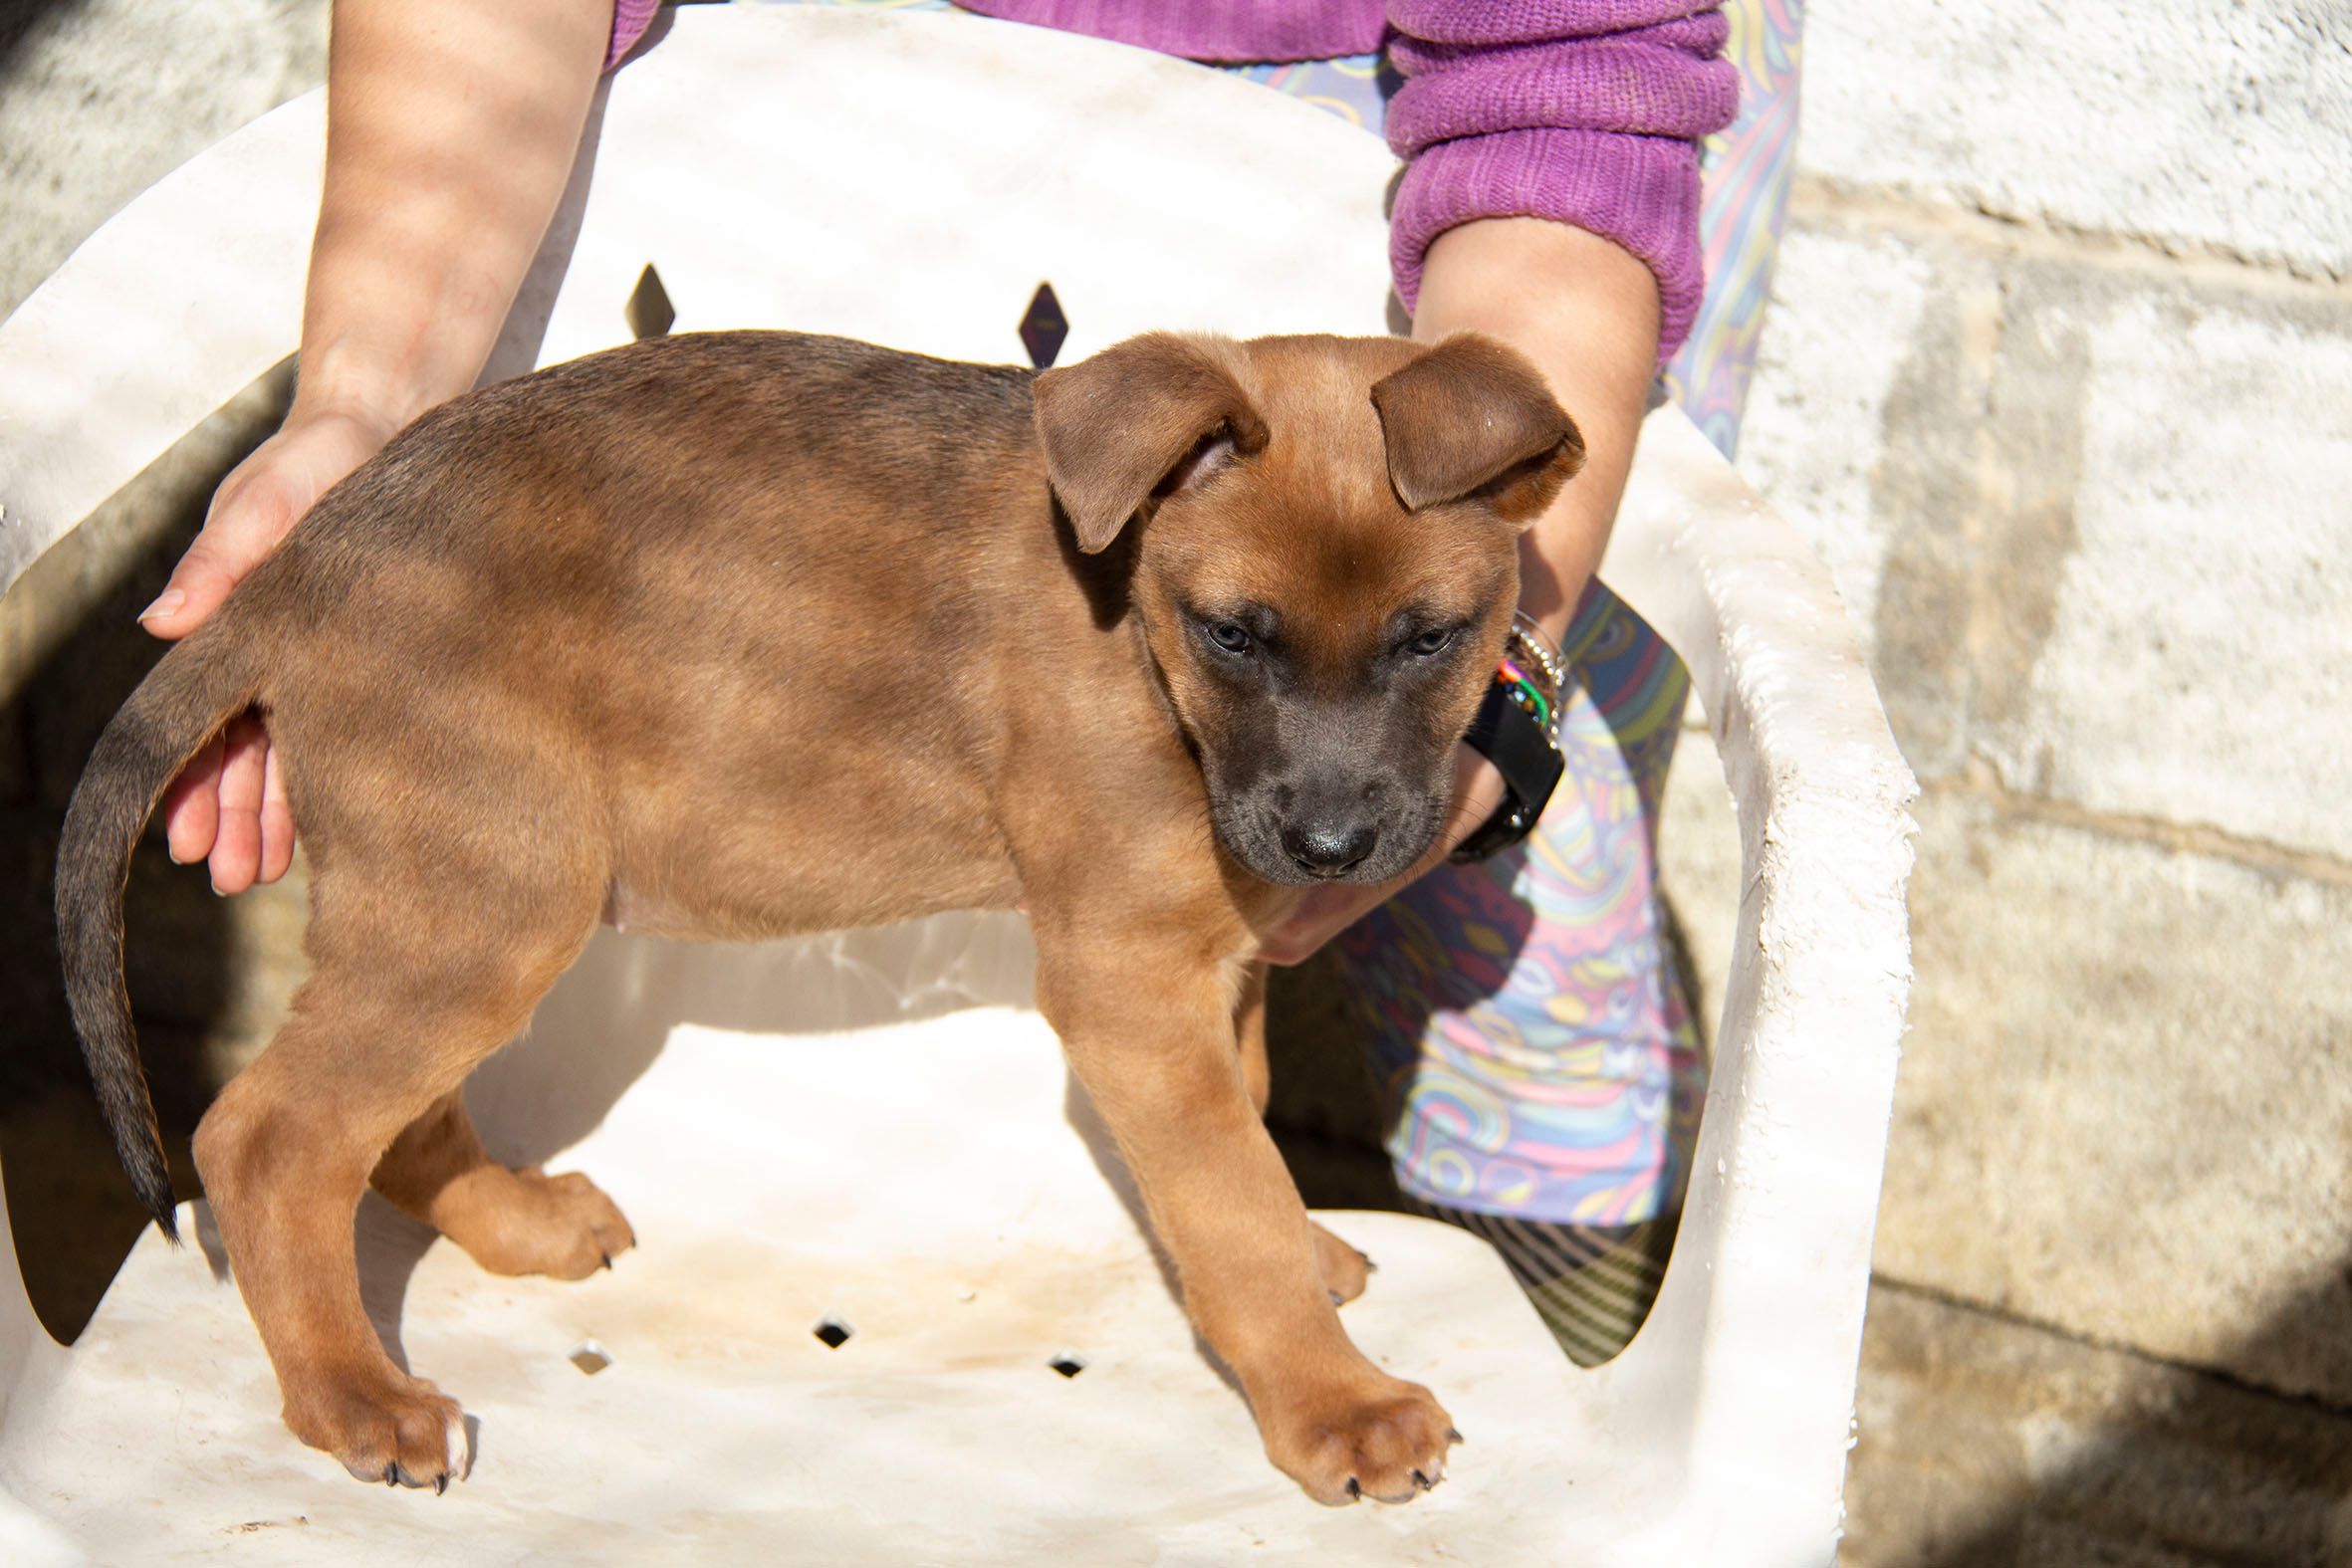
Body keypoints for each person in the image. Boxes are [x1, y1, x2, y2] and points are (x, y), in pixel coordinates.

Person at [142, 0, 1800, 1361]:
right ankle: (333, 1212)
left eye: (1427, 643)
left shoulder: (1438, 476)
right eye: (1236, 638)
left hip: (1441, 183)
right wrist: (357, 415)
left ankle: (1584, 1368)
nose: (1327, 786)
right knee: (482, 914)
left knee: (1518, 953)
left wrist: (1512, 660)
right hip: (774, 143)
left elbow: (1576, 71)